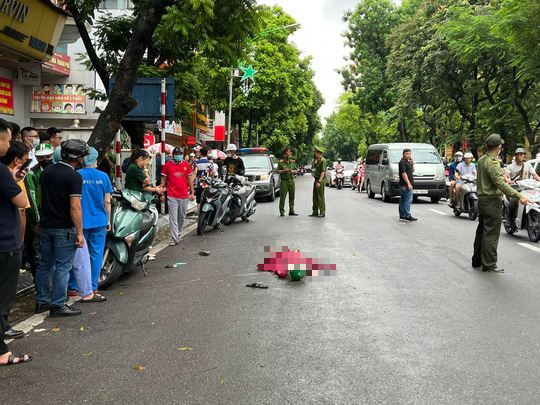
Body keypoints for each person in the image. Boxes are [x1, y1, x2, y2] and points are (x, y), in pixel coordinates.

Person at [35, 139, 89, 318]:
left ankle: (42, 300)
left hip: (46, 226)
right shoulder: (74, 176)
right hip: (64, 228)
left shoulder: (47, 172)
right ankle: (58, 304)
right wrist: (80, 232)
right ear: (78, 157)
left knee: (44, 264)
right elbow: (75, 206)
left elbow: (41, 198)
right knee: (63, 267)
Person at [472, 134, 530, 273]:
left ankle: (477, 260)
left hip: (482, 200)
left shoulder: (482, 160)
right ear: (499, 147)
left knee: (482, 230)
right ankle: (489, 264)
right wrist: (519, 196)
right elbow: (500, 183)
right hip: (492, 201)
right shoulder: (493, 162)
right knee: (491, 233)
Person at [0, 120, 32, 366]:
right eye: (8, 140)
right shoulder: (1, 171)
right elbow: (21, 202)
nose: (9, 145)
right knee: (3, 300)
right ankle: (2, 352)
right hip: (5, 243)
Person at [68, 147, 112, 298]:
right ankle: (92, 287)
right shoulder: (103, 176)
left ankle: (74, 287)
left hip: (80, 221)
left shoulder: (76, 175)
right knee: (96, 254)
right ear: (95, 159)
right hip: (99, 220)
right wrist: (108, 219)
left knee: (78, 255)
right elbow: (107, 201)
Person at [24, 144, 54, 280]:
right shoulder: (32, 174)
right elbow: (34, 199)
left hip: (54, 217)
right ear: (36, 157)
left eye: (48, 156)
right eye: (41, 157)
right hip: (39, 220)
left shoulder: (57, 170)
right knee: (38, 254)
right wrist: (38, 220)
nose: (45, 159)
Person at [161, 147, 195, 246]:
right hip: (172, 195)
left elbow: (190, 180)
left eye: (180, 153)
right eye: (177, 153)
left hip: (184, 195)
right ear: (173, 155)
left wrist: (192, 193)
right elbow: (163, 180)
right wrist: (162, 193)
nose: (179, 155)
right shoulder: (167, 165)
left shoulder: (186, 164)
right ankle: (174, 238)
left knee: (182, 217)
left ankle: (178, 234)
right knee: (173, 218)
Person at [505, 147, 540, 228]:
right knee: (514, 201)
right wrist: (509, 181)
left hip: (526, 189)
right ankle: (510, 220)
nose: (520, 156)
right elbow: (506, 176)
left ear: (524, 155)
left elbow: (535, 176)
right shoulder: (510, 166)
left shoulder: (528, 166)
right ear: (515, 156)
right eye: (518, 154)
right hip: (515, 189)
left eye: (522, 154)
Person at [277, 147, 298, 216]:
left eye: (289, 152)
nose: (288, 154)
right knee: (283, 197)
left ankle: (291, 211)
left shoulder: (293, 162)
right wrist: (284, 170)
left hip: (291, 181)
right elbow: (277, 171)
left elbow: (296, 170)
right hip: (284, 182)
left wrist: (293, 171)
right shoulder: (281, 162)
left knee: (292, 196)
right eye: (287, 152)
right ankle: (282, 211)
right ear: (284, 154)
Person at [398, 149, 417, 221]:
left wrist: (412, 164)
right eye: (407, 154)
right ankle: (407, 215)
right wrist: (408, 183)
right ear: (403, 154)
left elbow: (413, 170)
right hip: (405, 185)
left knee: (403, 200)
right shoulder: (402, 162)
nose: (408, 155)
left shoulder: (407, 162)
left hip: (405, 184)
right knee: (407, 200)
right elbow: (403, 173)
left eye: (409, 154)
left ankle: (402, 215)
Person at [309, 146, 327, 218]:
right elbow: (312, 168)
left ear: (319, 153)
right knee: (315, 196)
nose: (314, 154)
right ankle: (315, 211)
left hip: (321, 180)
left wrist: (319, 181)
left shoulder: (323, 160)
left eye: (315, 152)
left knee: (320, 196)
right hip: (316, 179)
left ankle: (322, 211)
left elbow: (323, 172)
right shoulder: (317, 160)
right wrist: (314, 161)